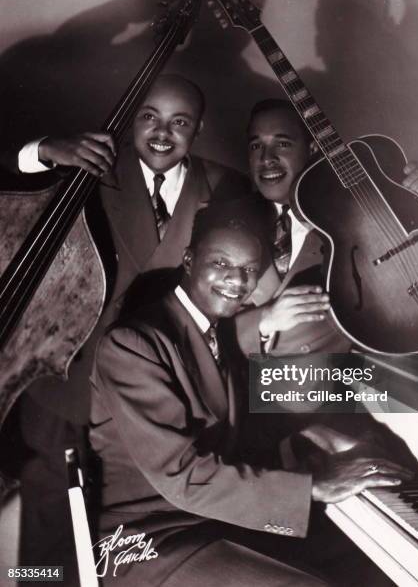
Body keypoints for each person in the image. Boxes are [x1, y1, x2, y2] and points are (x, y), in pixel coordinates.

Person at [89, 203, 412, 586]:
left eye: (248, 270)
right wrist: (314, 486)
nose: (236, 280)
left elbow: (234, 435)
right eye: (221, 263)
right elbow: (182, 476)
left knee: (370, 564)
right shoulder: (133, 343)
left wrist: (319, 434)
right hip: (148, 540)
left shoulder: (215, 332)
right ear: (189, 260)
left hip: (212, 521)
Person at [5, 74, 250, 578]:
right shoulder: (89, 169)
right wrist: (46, 148)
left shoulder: (223, 185)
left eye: (179, 123)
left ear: (198, 130)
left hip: (156, 393)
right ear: (130, 122)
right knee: (49, 530)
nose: (163, 133)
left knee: (133, 538)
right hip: (69, 380)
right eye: (150, 118)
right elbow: (12, 175)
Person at [235, 98, 418, 358]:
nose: (266, 159)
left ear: (313, 148)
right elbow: (196, 321)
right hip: (245, 390)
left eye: (282, 144)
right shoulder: (225, 217)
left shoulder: (361, 213)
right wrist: (264, 321)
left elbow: (417, 294)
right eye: (256, 146)